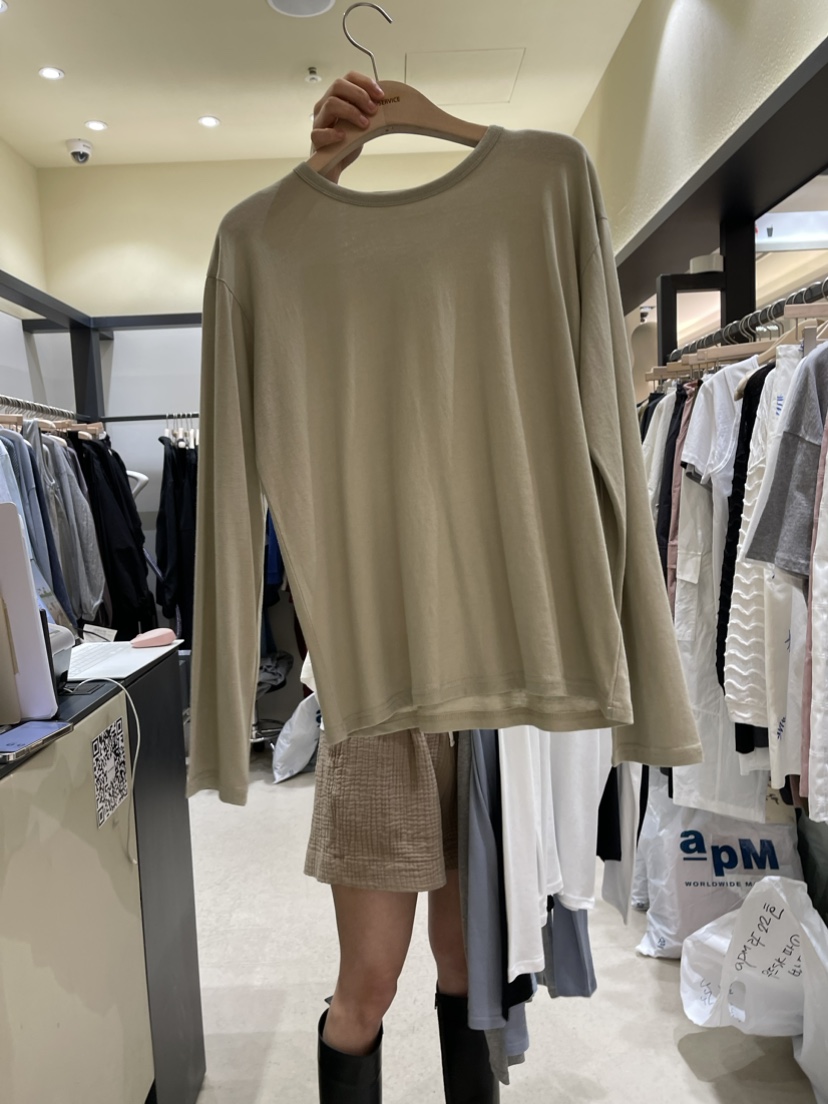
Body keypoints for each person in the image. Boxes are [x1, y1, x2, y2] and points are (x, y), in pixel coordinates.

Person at [306, 73, 499, 1104]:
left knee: (470, 970)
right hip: (378, 687)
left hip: (495, 683)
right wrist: (325, 175)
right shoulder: (335, 361)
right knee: (369, 983)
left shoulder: (507, 341)